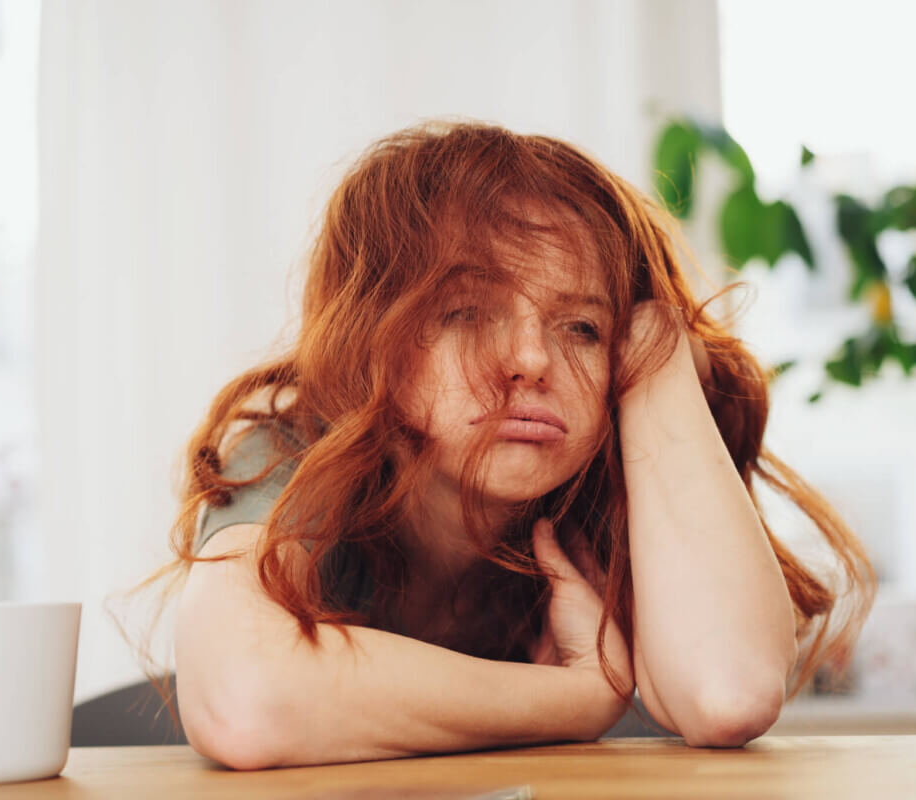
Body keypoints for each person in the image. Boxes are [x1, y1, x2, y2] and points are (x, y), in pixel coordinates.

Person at [125, 121, 875, 770]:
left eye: (582, 327)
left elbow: (729, 692)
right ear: (372, 336)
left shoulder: (614, 475)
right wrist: (575, 699)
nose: (532, 359)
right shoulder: (295, 447)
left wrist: (657, 342)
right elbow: (246, 701)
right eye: (467, 312)